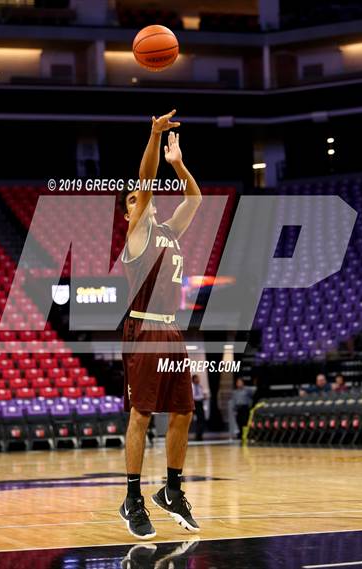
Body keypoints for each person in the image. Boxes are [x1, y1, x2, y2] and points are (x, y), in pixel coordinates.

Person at [119, 110, 202, 539]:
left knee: (184, 413)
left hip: (171, 330)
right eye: (134, 198)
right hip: (144, 329)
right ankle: (132, 496)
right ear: (129, 213)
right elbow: (145, 181)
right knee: (141, 415)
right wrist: (153, 137)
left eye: (142, 197)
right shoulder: (137, 234)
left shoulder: (169, 231)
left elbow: (195, 199)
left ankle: (170, 489)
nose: (141, 198)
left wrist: (178, 165)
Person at [191, 375, 206, 441]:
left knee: (201, 420)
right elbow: (193, 396)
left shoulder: (200, 387)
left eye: (198, 379)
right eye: (196, 379)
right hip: (193, 404)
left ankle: (199, 435)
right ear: (193, 379)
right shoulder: (191, 386)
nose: (198, 380)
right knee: (189, 420)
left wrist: (204, 397)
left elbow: (202, 395)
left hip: (199, 404)